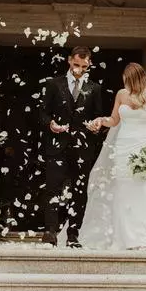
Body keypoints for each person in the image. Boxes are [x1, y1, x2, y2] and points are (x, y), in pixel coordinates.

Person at [80, 62, 146, 250]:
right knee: (123, 192)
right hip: (122, 147)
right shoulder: (121, 94)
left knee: (142, 192)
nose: (127, 86)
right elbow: (114, 121)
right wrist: (100, 121)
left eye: (130, 82)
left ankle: (145, 239)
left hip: (142, 145)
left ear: (138, 80)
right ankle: (124, 238)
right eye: (125, 82)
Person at [40, 46, 103, 248]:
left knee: (79, 191)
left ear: (89, 64)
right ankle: (50, 232)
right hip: (56, 146)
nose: (79, 69)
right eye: (76, 65)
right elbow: (41, 113)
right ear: (69, 60)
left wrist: (96, 126)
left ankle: (73, 234)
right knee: (52, 189)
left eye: (83, 66)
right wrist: (51, 124)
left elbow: (98, 117)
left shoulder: (95, 88)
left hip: (83, 149)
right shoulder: (53, 84)